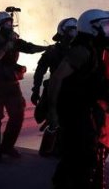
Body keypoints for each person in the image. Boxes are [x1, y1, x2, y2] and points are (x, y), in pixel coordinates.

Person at [47, 9, 109, 189]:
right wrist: (52, 111)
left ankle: (62, 183)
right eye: (106, 27)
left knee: (75, 155)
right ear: (93, 29)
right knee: (81, 154)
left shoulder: (93, 48)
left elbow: (92, 81)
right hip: (73, 110)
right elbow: (57, 78)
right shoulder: (82, 50)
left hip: (82, 107)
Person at [0, 10, 48, 162]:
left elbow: (30, 48)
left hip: (11, 85)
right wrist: (5, 47)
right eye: (7, 24)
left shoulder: (14, 42)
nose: (10, 26)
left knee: (18, 115)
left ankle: (7, 146)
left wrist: (47, 48)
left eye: (11, 23)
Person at [32, 17, 78, 157]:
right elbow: (40, 71)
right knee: (54, 121)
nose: (75, 33)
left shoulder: (78, 50)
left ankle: (64, 149)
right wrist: (35, 90)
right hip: (56, 90)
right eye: (72, 30)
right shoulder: (52, 51)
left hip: (72, 91)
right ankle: (48, 149)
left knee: (71, 122)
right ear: (63, 32)